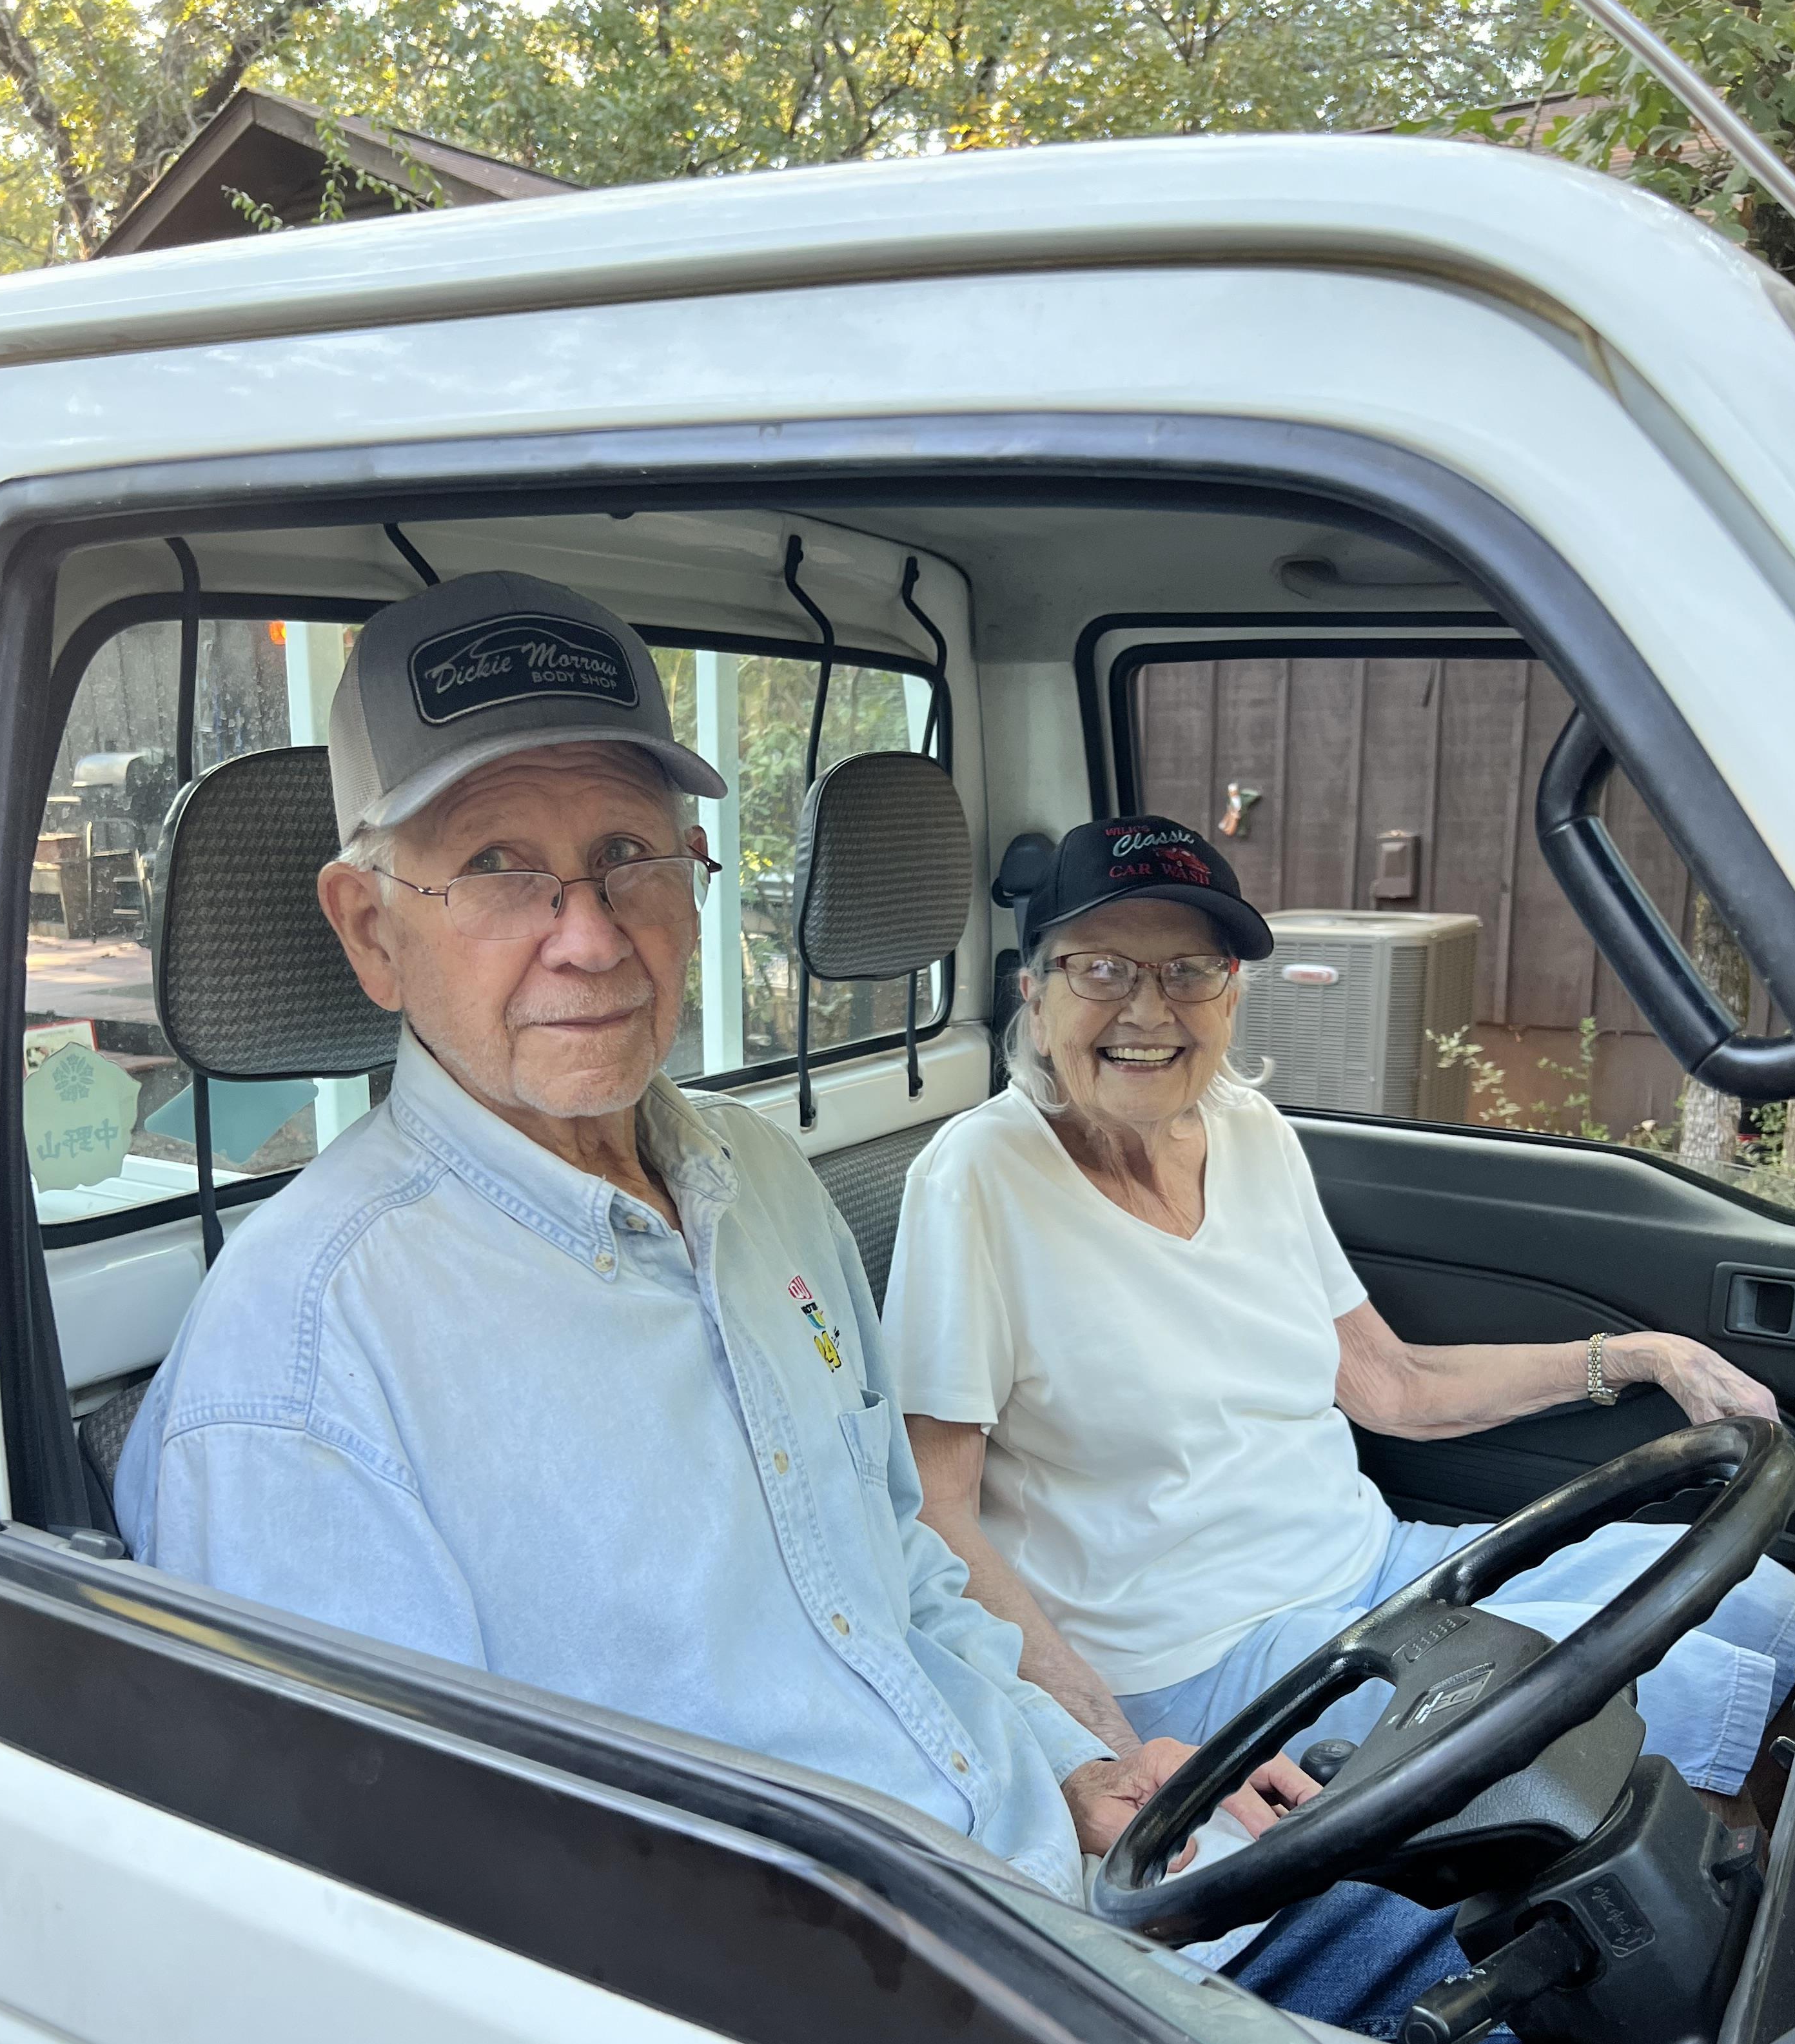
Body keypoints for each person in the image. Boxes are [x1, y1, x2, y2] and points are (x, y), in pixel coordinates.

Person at [114, 573, 1302, 1922]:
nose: (591, 934)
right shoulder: (298, 1369)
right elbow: (407, 1923)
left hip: (1050, 1883)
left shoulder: (761, 1179)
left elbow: (896, 1554)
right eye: (499, 868)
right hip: (852, 2033)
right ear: (371, 930)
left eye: (633, 853)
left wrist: (1084, 1766)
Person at [883, 816, 1795, 2042]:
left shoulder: (1251, 1132)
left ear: (1231, 991)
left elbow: (1383, 1384)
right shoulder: (978, 1179)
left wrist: (1634, 1359)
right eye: (1103, 967)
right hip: (1203, 1652)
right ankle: (1748, 2012)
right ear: (1034, 988)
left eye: (1189, 971)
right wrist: (1125, 1750)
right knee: (1667, 1693)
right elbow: (935, 1512)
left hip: (1376, 1568)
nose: (1148, 1008)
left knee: (1748, 1591)